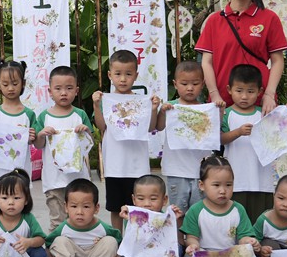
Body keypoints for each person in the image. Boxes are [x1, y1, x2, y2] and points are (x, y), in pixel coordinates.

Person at [195, 0, 287, 115]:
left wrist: (269, 94)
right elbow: (207, 62)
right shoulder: (214, 20)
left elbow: (277, 61)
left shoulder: (269, 18)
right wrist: (214, 95)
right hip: (221, 103)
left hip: (259, 100)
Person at [92, 50, 160, 230]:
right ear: (110, 75)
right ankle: (117, 238)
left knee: (138, 206)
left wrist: (153, 109)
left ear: (136, 76)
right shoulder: (106, 100)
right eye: (118, 74)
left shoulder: (141, 101)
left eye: (128, 74)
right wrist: (96, 106)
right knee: (115, 208)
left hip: (137, 166)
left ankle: (135, 238)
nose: (123, 79)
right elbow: (101, 126)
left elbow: (151, 127)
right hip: (114, 165)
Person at [221, 64, 287, 223]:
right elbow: (220, 140)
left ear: (259, 92)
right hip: (236, 179)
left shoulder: (264, 114)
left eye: (250, 91)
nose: (244, 97)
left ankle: (261, 246)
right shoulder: (226, 114)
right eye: (239, 90)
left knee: (261, 220)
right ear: (229, 89)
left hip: (262, 178)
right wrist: (238, 132)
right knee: (237, 220)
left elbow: (281, 133)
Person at [35, 66, 94, 230]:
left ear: (76, 91)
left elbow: (90, 143)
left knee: (79, 220)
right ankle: (55, 252)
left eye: (69, 88)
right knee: (57, 221)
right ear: (50, 91)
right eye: (58, 88)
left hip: (77, 180)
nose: (63, 93)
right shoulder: (44, 117)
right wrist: (41, 135)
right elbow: (38, 145)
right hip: (53, 181)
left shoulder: (79, 115)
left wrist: (86, 131)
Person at [155, 61, 211, 214]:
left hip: (200, 170)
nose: (190, 88)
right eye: (184, 83)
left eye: (195, 83)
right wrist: (161, 112)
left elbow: (212, 134)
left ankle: (194, 239)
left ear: (203, 84)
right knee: (177, 212)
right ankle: (178, 239)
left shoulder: (206, 110)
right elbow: (158, 127)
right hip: (176, 170)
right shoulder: (170, 107)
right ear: (175, 84)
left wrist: (217, 113)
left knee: (198, 212)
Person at [117, 175, 183, 257]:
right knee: (127, 247)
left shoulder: (167, 218)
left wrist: (176, 219)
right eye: (141, 199)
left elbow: (175, 237)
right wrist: (128, 217)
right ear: (134, 199)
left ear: (164, 200)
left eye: (153, 199)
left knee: (176, 247)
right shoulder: (133, 217)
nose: (147, 204)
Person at [181, 156, 260, 257]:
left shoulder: (238, 209)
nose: (223, 191)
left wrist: (249, 241)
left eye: (228, 185)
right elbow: (191, 237)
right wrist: (193, 245)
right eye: (216, 185)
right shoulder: (195, 210)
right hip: (204, 255)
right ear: (201, 185)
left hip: (231, 256)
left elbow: (243, 236)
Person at [0, 59, 40, 201]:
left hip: (21, 176)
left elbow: (39, 143)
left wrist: (34, 137)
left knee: (21, 211)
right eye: (5, 84)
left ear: (23, 84)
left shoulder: (28, 114)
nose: (10, 88)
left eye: (15, 84)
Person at [46, 178, 123, 257]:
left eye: (86, 206)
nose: (79, 212)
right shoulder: (63, 228)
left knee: (110, 241)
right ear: (66, 207)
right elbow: (48, 244)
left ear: (96, 208)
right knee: (59, 241)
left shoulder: (102, 227)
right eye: (74, 206)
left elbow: (120, 243)